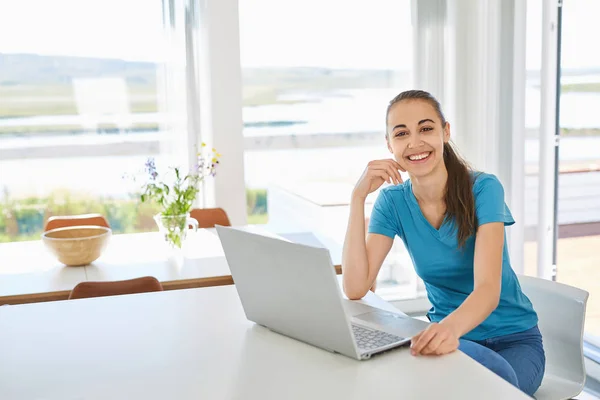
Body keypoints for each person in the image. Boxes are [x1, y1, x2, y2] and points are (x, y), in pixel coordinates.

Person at [342, 90, 546, 396]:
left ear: (445, 132)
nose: (414, 142)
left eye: (426, 128)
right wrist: (357, 198)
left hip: (512, 341)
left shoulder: (484, 189)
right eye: (401, 133)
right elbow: (356, 287)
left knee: (490, 391)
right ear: (389, 145)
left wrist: (446, 331)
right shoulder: (392, 202)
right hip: (451, 342)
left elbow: (488, 290)